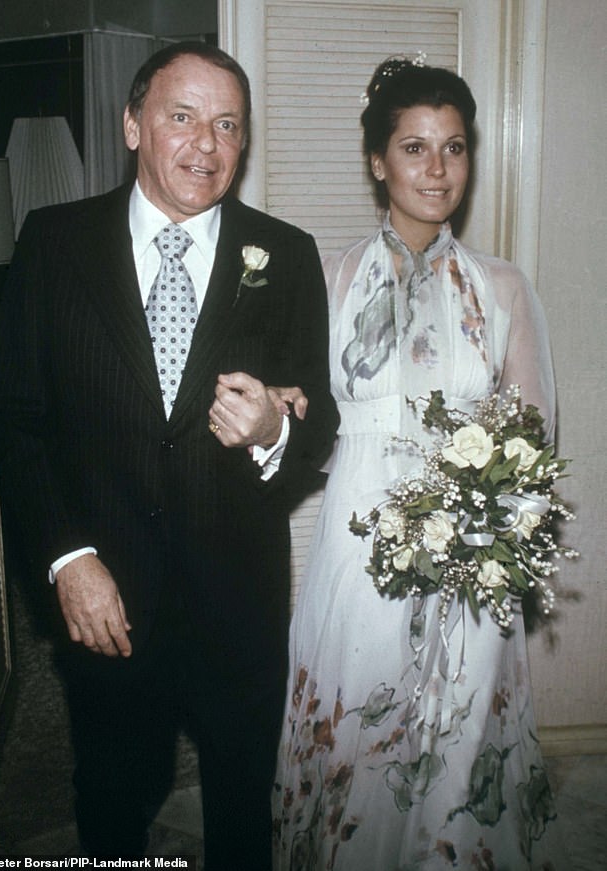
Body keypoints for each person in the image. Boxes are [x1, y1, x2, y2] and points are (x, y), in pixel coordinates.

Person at [0, 41, 338, 869]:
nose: (206, 145)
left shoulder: (284, 254)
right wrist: (68, 558)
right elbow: (16, 419)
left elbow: (316, 423)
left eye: (227, 126)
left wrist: (273, 434)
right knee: (111, 794)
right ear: (133, 125)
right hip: (105, 597)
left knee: (244, 809)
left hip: (236, 596)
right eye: (182, 117)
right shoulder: (53, 242)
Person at [272, 57, 566, 870]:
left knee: (457, 752)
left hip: (471, 557)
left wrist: (482, 524)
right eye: (414, 147)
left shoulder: (502, 289)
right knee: (357, 741)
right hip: (359, 549)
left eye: (455, 147)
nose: (437, 170)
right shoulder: (327, 281)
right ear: (377, 160)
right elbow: (307, 433)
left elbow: (531, 440)